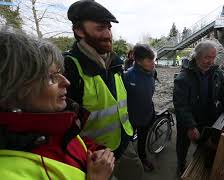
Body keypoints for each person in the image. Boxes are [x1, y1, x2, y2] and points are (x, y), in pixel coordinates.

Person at [0, 28, 114, 179]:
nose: (66, 82)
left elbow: (73, 144)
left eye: (60, 73)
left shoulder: (55, 123)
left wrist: (99, 153)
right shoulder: (8, 173)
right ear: (13, 90)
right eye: (50, 77)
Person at [64, 0, 143, 179]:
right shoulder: (69, 68)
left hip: (124, 144)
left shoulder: (115, 63)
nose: (108, 34)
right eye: (100, 28)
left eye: (109, 28)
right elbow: (65, 127)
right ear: (79, 31)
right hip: (94, 157)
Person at [173, 40, 224, 176]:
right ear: (197, 56)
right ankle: (181, 164)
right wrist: (190, 126)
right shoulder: (183, 78)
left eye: (213, 57)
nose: (211, 61)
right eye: (207, 57)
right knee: (183, 145)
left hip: (208, 117)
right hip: (188, 120)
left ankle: (202, 162)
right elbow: (181, 106)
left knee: (205, 143)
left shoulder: (216, 72)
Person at [124, 44, 156, 172]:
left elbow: (150, 93)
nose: (153, 63)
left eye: (153, 60)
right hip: (130, 120)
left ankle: (143, 158)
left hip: (147, 116)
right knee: (128, 145)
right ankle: (131, 163)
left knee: (142, 141)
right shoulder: (127, 76)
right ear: (137, 61)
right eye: (149, 60)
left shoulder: (152, 73)